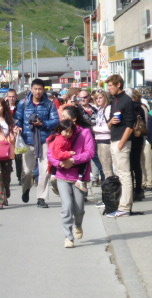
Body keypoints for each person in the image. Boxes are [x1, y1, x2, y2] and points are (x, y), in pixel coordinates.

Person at [48, 105, 96, 247]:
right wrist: (60, 164)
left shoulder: (85, 133)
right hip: (63, 175)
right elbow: (51, 153)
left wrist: (73, 160)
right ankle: (68, 237)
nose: (62, 119)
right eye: (61, 117)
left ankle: (78, 225)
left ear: (74, 119)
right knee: (67, 206)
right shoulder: (59, 133)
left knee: (79, 208)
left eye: (65, 116)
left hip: (79, 177)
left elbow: (90, 153)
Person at [16, 78, 60, 208]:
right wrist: (17, 126)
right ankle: (26, 188)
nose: (38, 91)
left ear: (43, 90)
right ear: (31, 89)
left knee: (45, 171)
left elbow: (55, 121)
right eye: (35, 89)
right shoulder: (23, 103)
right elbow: (17, 119)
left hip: (44, 141)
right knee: (27, 171)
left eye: (40, 89)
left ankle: (41, 198)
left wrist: (43, 124)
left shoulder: (50, 104)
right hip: (27, 141)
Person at [106, 74, 135, 217]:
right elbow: (109, 123)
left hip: (121, 142)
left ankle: (125, 207)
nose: (109, 88)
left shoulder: (127, 101)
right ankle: (121, 204)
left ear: (118, 85)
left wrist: (121, 144)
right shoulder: (114, 100)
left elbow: (131, 125)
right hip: (114, 139)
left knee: (125, 174)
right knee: (119, 173)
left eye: (111, 85)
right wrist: (112, 122)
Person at [48, 120, 87, 192]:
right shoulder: (61, 140)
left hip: (62, 158)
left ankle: (54, 178)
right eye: (66, 131)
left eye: (70, 132)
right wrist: (69, 154)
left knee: (82, 161)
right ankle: (79, 180)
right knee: (82, 162)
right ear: (60, 130)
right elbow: (57, 154)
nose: (68, 134)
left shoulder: (64, 139)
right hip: (61, 158)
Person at [77, 89, 104, 186]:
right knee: (82, 166)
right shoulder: (77, 110)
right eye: (81, 97)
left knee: (101, 164)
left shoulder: (95, 110)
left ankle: (105, 190)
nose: (83, 99)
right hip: (82, 141)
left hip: (95, 140)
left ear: (89, 98)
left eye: (85, 97)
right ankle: (82, 193)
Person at [127, 88, 146, 202]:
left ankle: (131, 191)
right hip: (138, 138)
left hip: (128, 138)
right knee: (136, 165)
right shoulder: (140, 107)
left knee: (128, 166)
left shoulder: (127, 108)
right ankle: (138, 190)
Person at [92, 90, 113, 186]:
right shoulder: (100, 109)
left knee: (108, 169)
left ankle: (111, 193)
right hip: (99, 140)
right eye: (96, 98)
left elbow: (110, 127)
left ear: (105, 97)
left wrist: (95, 129)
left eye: (101, 97)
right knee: (105, 168)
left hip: (106, 141)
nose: (98, 100)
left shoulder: (108, 109)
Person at [6, 89, 23, 183]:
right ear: (7, 97)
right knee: (7, 156)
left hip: (18, 134)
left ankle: (19, 176)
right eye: (10, 96)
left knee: (18, 157)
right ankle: (7, 175)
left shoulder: (20, 106)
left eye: (13, 96)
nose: (11, 98)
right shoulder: (4, 107)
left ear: (16, 97)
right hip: (7, 135)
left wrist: (19, 128)